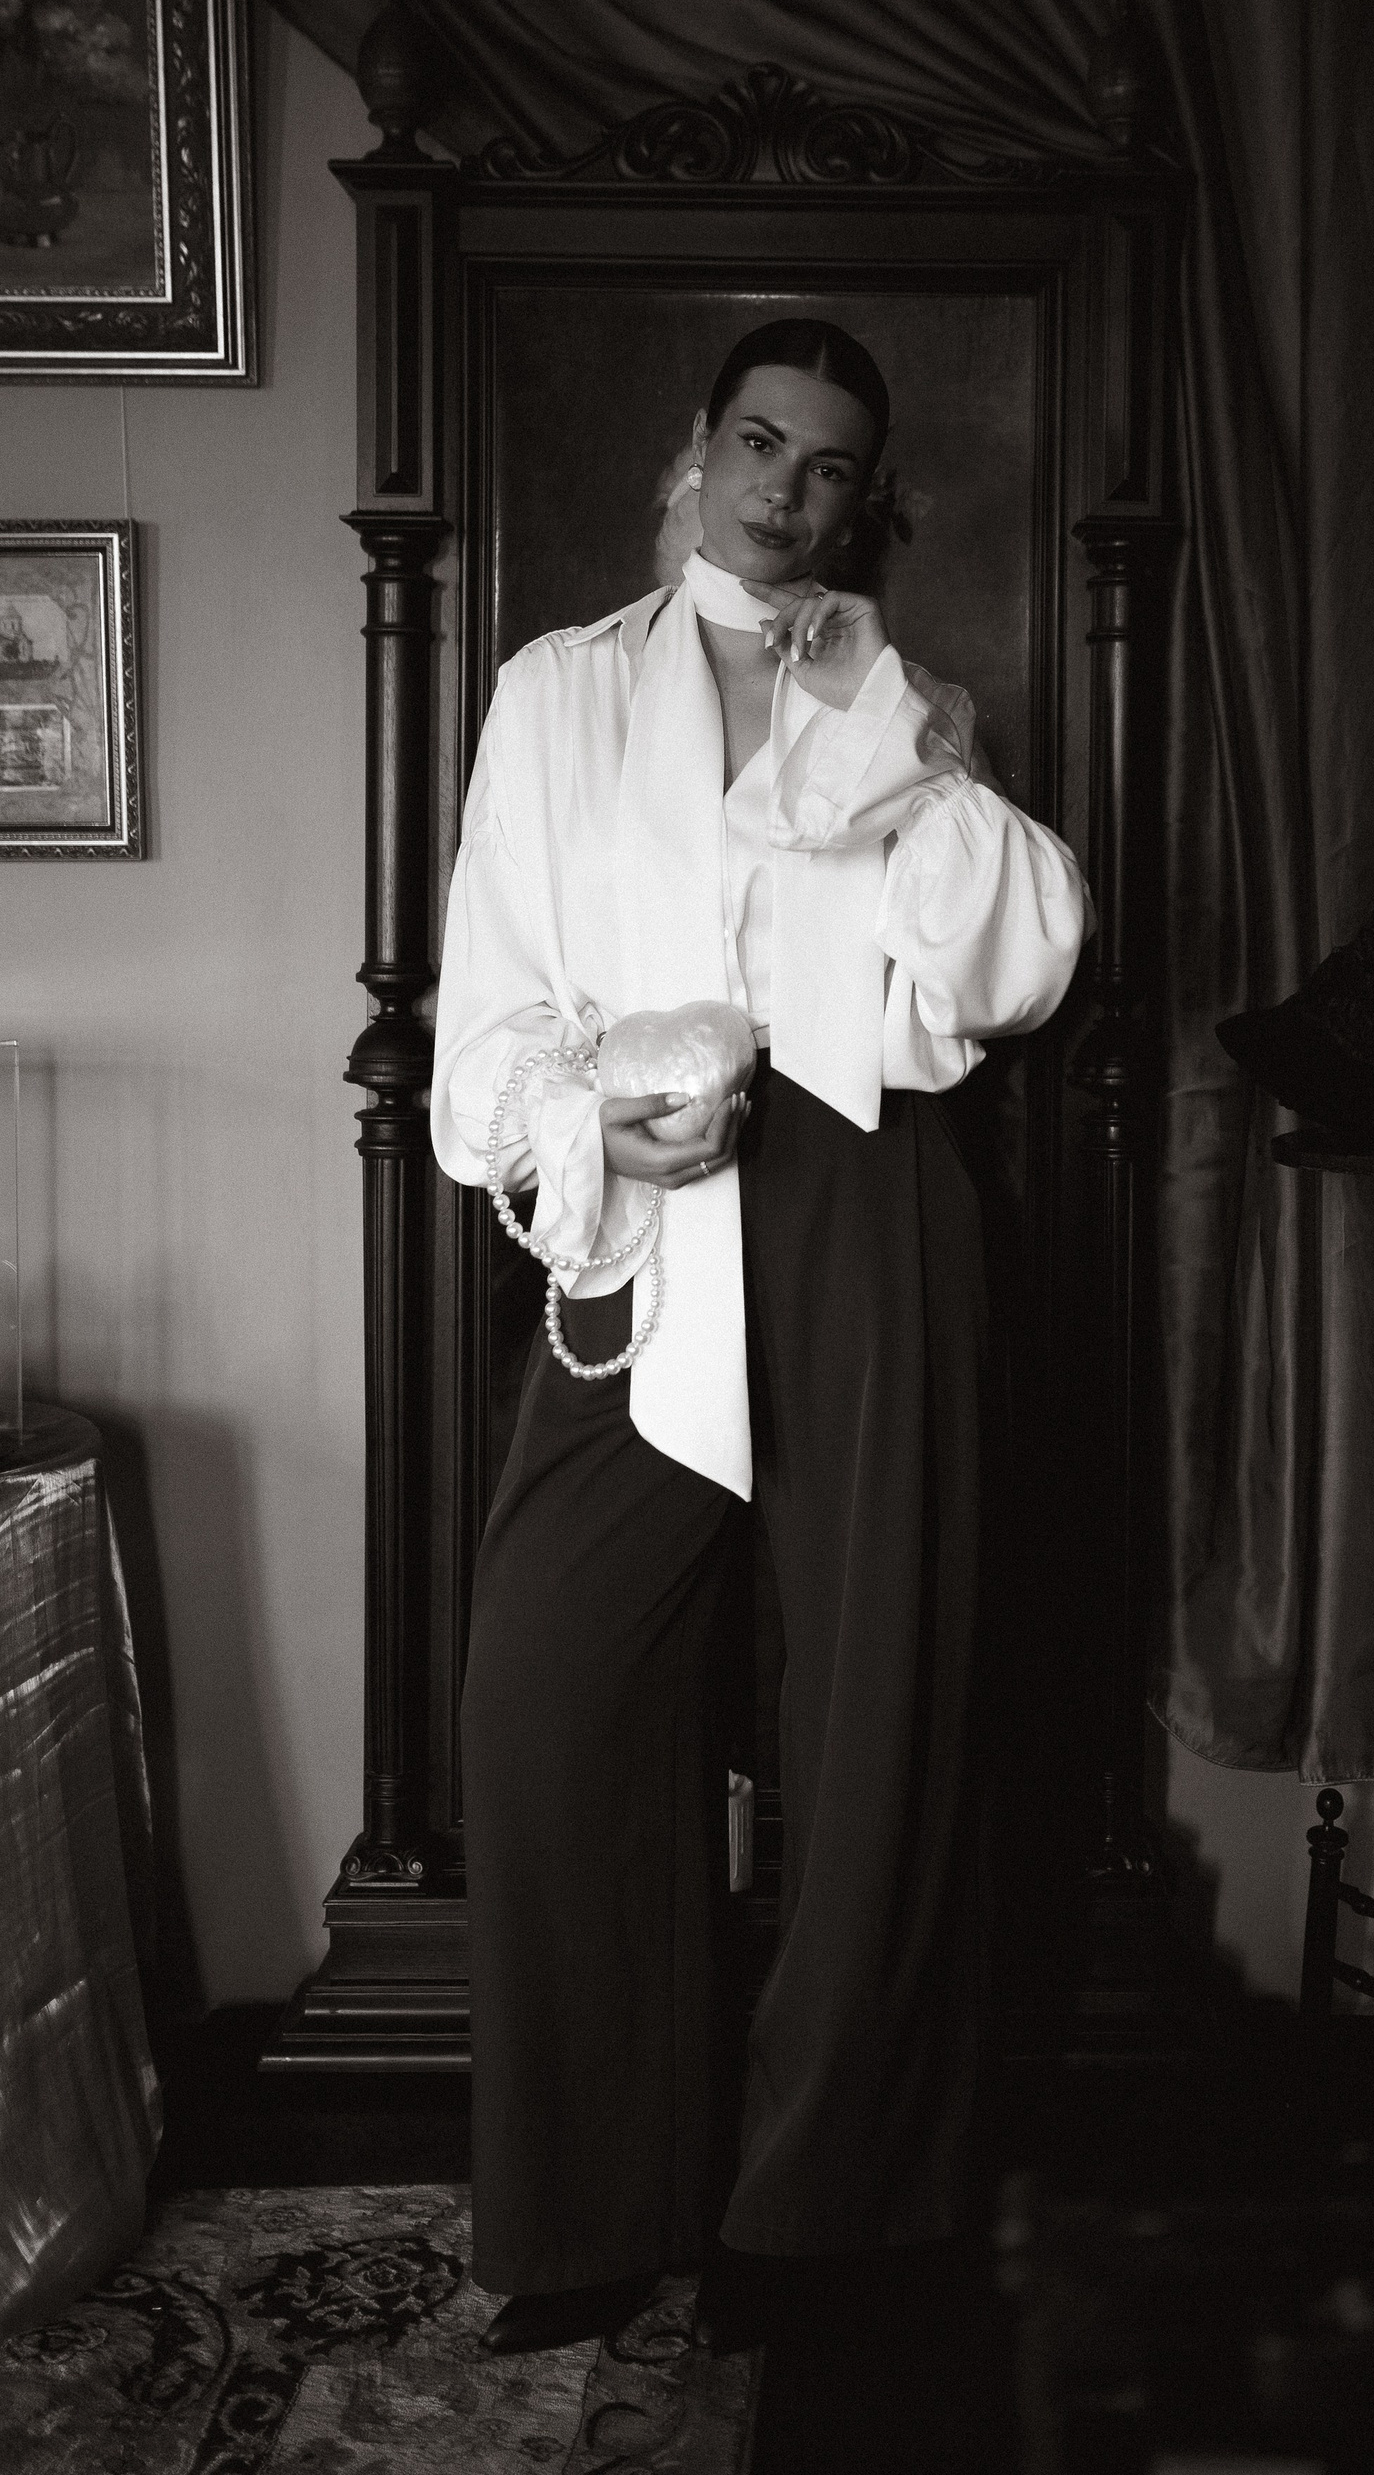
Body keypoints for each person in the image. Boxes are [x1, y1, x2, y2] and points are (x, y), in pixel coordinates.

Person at [430, 317, 1089, 2356]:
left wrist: (896, 735)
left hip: (874, 1207)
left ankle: (825, 2213)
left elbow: (1016, 964)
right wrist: (591, 1126)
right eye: (760, 445)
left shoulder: (904, 705)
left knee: (884, 1714)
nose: (786, 492)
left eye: (829, 469)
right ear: (696, 448)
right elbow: (490, 1008)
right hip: (645, 1205)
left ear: (862, 502)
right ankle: (590, 2208)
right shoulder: (557, 690)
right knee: (546, 1693)